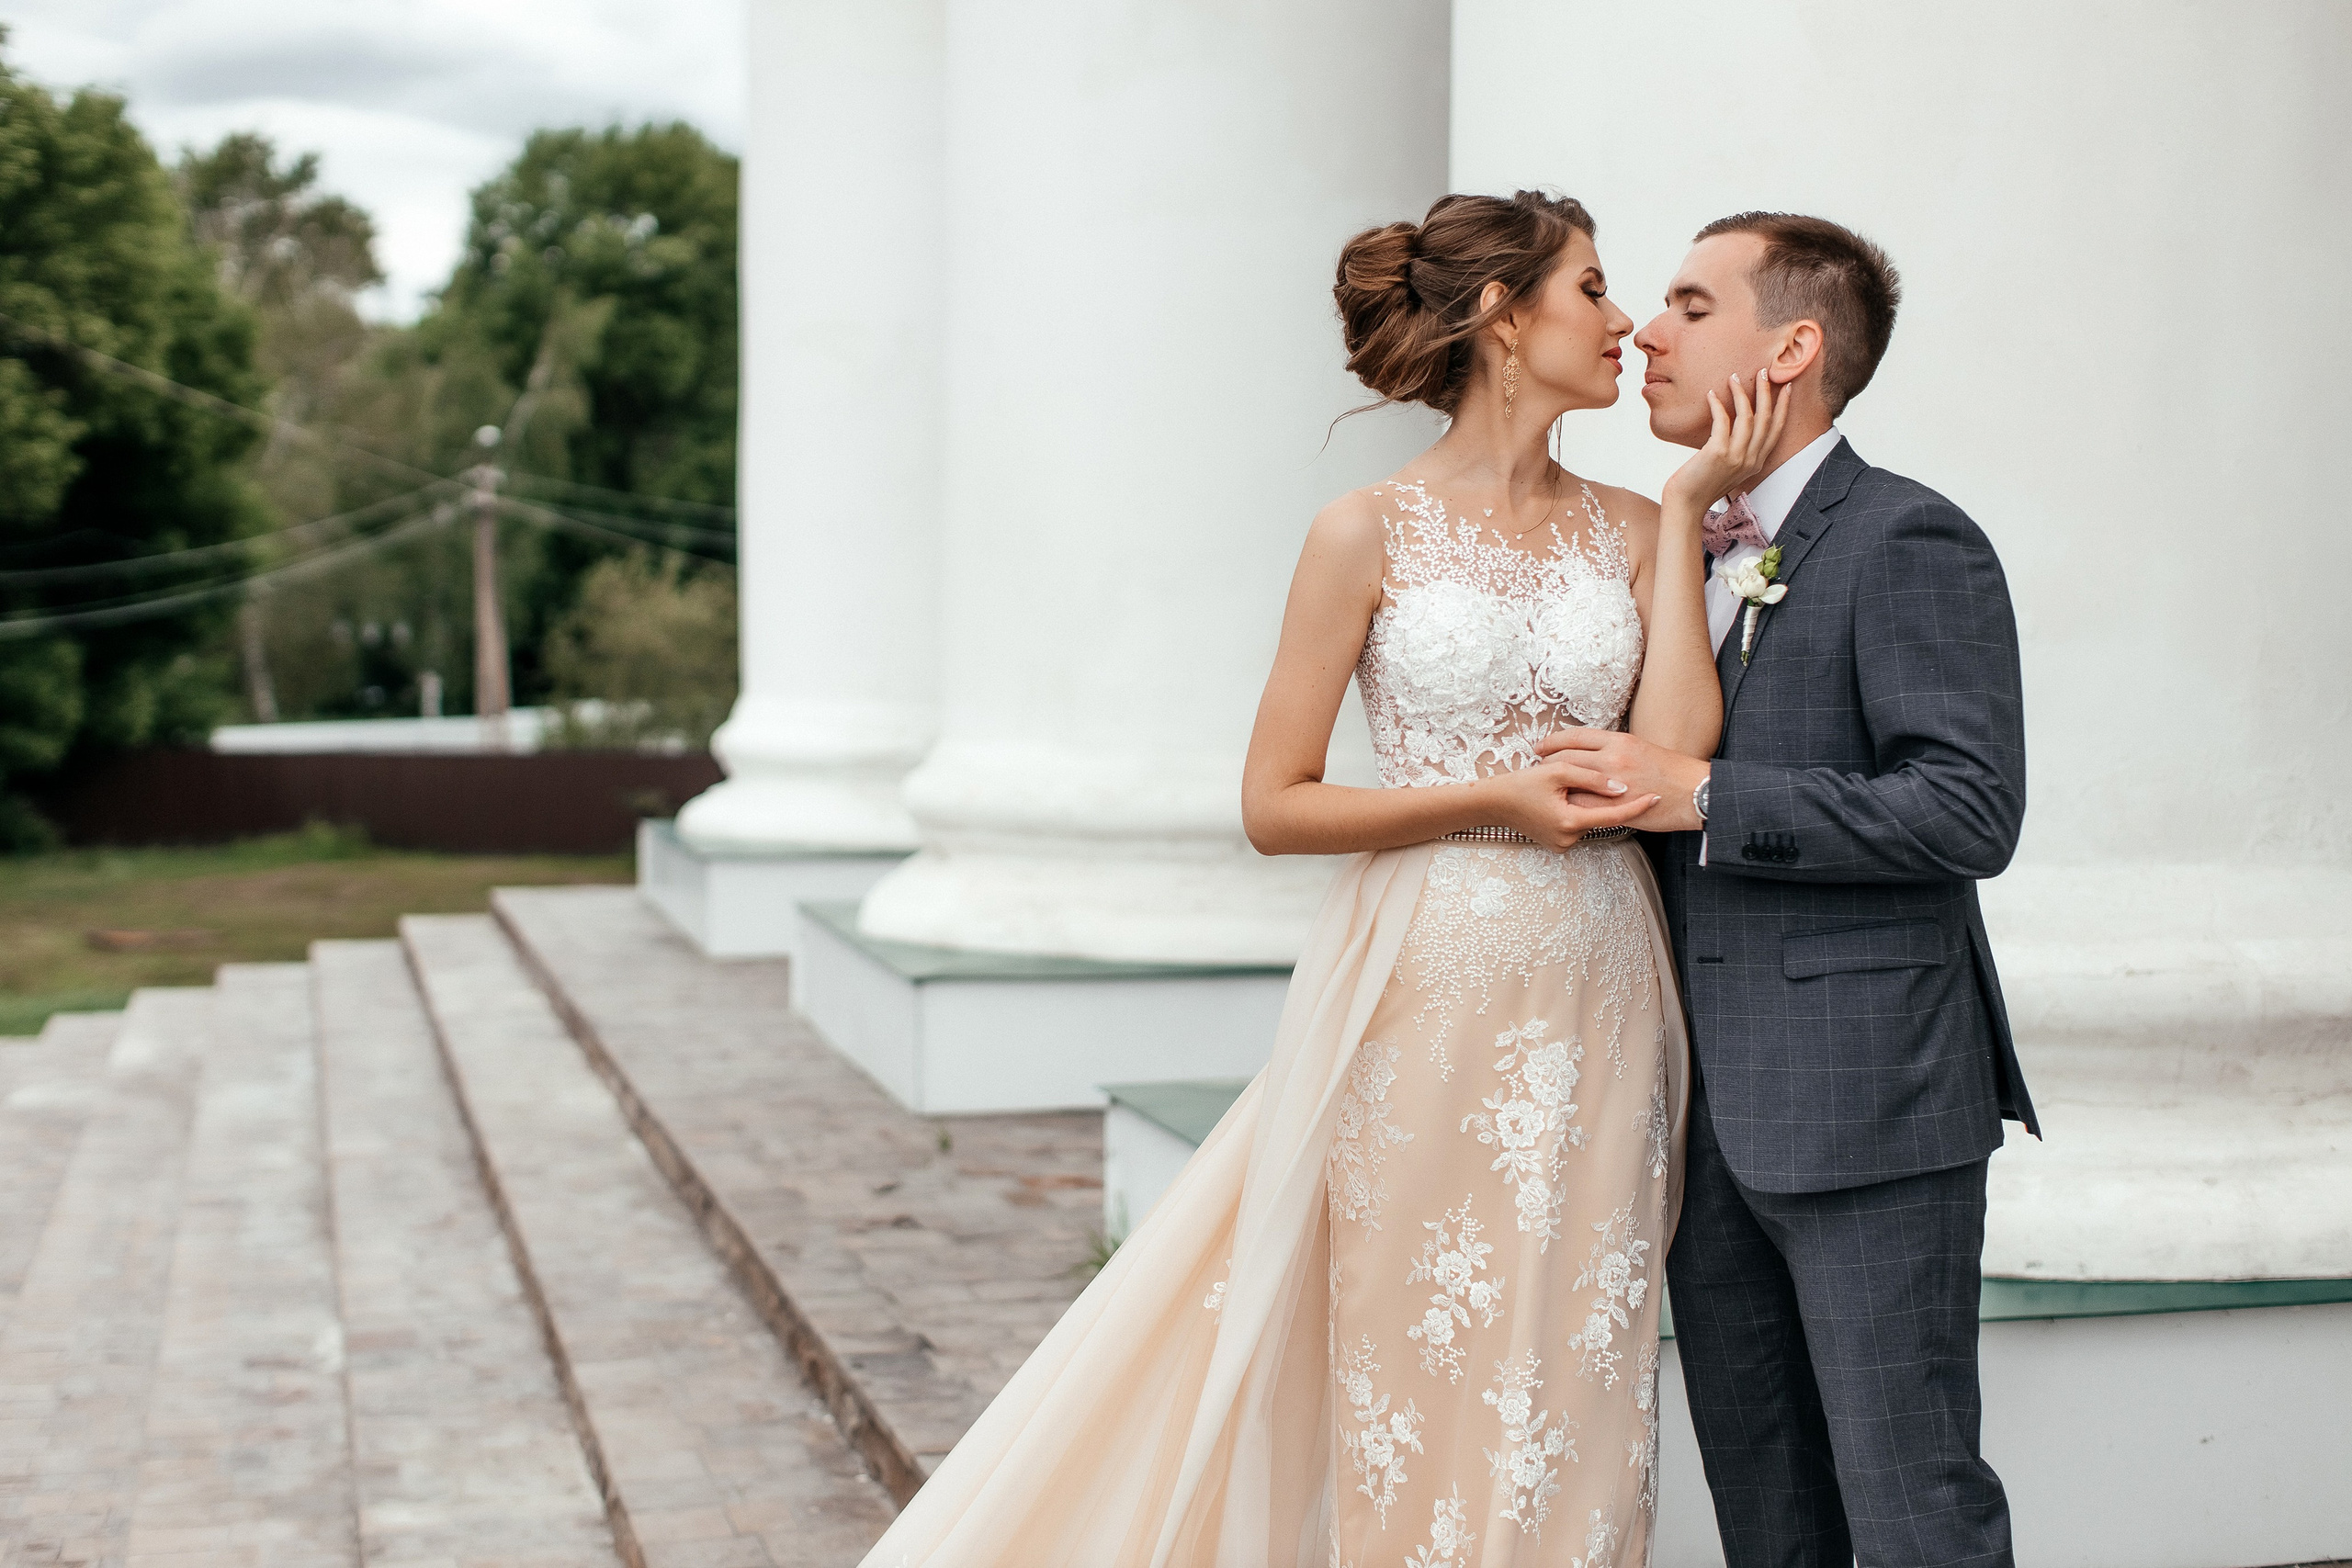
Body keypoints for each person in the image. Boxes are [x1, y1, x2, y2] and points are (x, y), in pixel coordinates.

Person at [857, 189, 1781, 1568]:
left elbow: (1675, 754)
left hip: (1600, 976)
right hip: (1420, 978)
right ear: (1499, 317)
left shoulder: (1634, 518)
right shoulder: (1366, 531)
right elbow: (1273, 803)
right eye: (1592, 289)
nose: (1625, 319)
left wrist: (1690, 508)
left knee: (1576, 1358)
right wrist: (1494, 798)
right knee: (1419, 1341)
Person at [1534, 213, 2039, 1568]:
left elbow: (1967, 809)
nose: (1646, 326)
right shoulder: (1668, 542)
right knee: (1768, 1514)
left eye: (1691, 305)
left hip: (1867, 1104)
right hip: (1693, 1115)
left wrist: (1703, 796)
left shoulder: (1910, 540)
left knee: (1909, 1497)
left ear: (1793, 346)